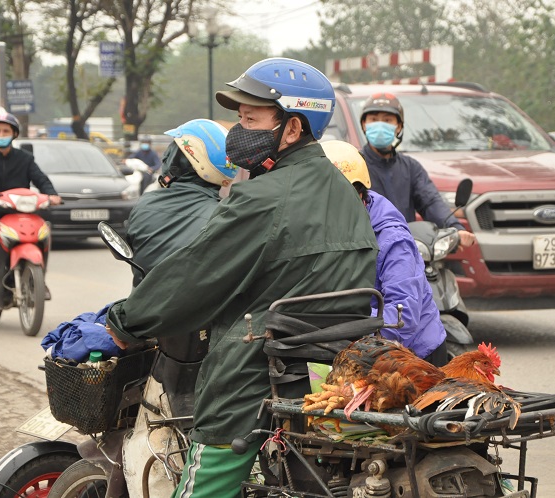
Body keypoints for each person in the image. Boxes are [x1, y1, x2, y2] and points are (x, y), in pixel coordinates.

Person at [104, 58, 378, 498]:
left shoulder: (264, 197)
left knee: (203, 488)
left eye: (250, 118)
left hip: (254, 373)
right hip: (323, 368)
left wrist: (124, 322)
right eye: (238, 118)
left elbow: (196, 272)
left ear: (292, 129)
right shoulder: (342, 194)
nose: (238, 128)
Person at [322, 140, 448, 367]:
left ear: (360, 196)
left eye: (339, 200)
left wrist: (343, 323)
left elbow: (403, 316)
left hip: (416, 356)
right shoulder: (322, 226)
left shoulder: (392, 240)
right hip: (365, 350)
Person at [125, 119, 239, 287]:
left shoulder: (145, 204)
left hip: (141, 308)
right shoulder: (227, 216)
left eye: (172, 150)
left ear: (180, 161)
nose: (166, 156)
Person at [359, 92, 476, 248]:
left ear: (399, 126)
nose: (380, 125)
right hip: (366, 251)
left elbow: (430, 202)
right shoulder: (354, 164)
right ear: (364, 125)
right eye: (373, 120)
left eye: (387, 120)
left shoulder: (411, 168)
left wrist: (454, 228)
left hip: (405, 251)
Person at [0, 112, 62, 301]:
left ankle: (40, 279)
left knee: (44, 234)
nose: (1, 134)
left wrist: (51, 194)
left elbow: (40, 178)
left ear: (15, 134)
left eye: (5, 131)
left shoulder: (25, 158)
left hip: (20, 214)